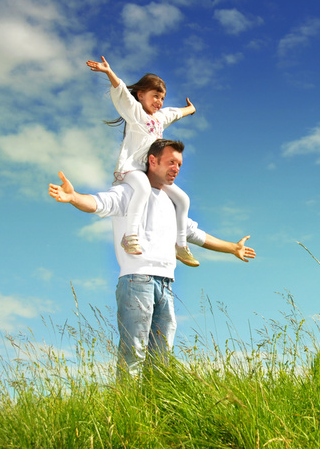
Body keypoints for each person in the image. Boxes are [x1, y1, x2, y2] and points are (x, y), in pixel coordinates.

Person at [48, 139, 256, 378]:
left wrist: (232, 247)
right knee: (134, 352)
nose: (176, 168)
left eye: (179, 164)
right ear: (153, 160)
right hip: (137, 281)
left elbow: (195, 234)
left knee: (161, 358)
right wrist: (74, 197)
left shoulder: (173, 202)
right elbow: (100, 203)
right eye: (171, 162)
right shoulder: (130, 191)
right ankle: (125, 410)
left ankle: (153, 409)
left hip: (166, 284)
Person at [87, 56, 200, 267]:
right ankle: (130, 237)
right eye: (155, 96)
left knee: (183, 199)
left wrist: (190, 110)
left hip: (151, 173)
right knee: (143, 190)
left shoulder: (160, 118)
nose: (159, 102)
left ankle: (181, 245)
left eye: (162, 98)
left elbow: (175, 113)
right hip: (131, 170)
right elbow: (122, 94)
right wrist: (109, 73)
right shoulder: (136, 113)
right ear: (141, 94)